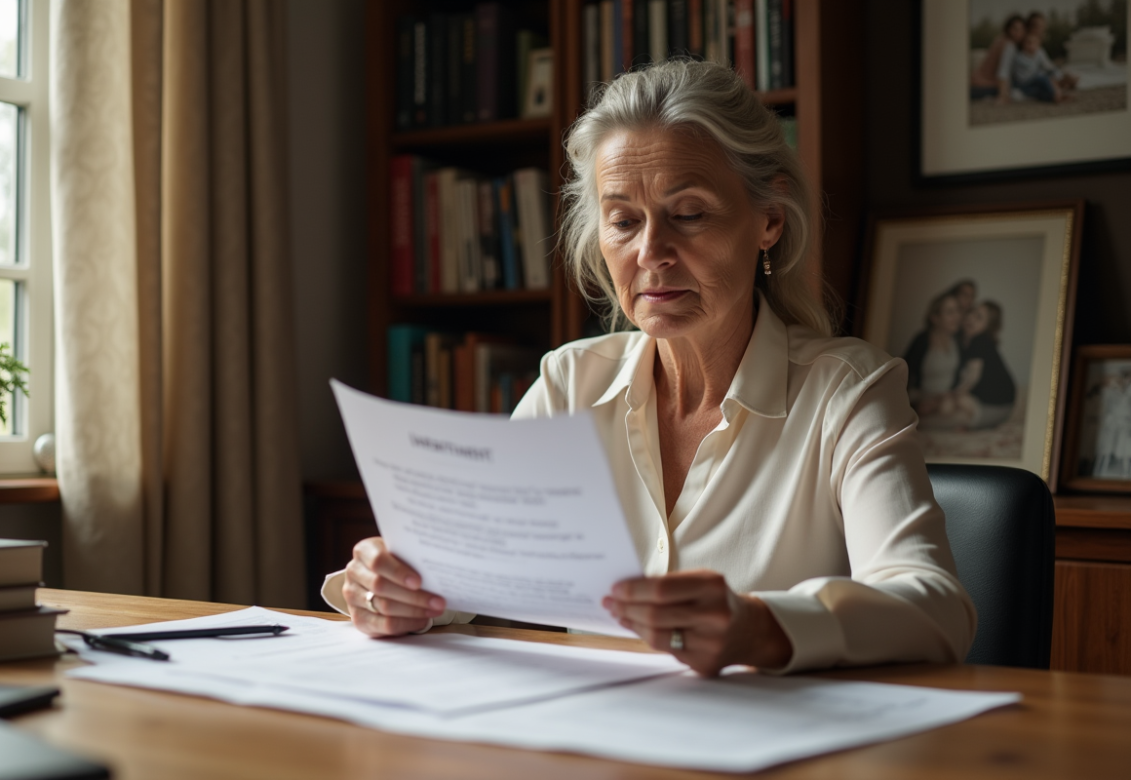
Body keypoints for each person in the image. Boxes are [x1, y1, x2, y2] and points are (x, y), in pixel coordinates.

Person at [323, 60, 976, 676]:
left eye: (688, 214)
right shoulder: (567, 385)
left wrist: (760, 626)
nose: (651, 252)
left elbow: (935, 606)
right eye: (623, 221)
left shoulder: (847, 391)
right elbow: (459, 576)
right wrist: (393, 588)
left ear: (769, 220)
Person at [948, 301, 1017, 430]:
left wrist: (953, 394)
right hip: (1002, 405)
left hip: (997, 405)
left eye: (978, 317)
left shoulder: (980, 341)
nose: (971, 318)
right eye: (972, 313)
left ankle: (971, 423)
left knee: (954, 403)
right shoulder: (965, 343)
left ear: (987, 326)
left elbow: (972, 377)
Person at [902, 292, 963, 420]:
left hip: (946, 397)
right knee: (947, 408)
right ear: (935, 318)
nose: (957, 316)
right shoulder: (923, 340)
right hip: (922, 398)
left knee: (960, 405)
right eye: (950, 312)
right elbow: (905, 372)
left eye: (957, 311)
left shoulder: (957, 341)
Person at [971, 14, 1026, 100]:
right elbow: (1003, 71)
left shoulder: (1000, 39)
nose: (1018, 33)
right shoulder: (1009, 46)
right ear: (1008, 29)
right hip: (985, 86)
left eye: (1021, 30)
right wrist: (1003, 95)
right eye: (1015, 29)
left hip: (976, 82)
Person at [1007, 32, 1071, 104]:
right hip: (1025, 83)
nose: (1031, 46)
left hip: (1034, 82)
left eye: (1034, 43)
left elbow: (1049, 67)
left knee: (1040, 91)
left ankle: (1054, 97)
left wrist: (1058, 75)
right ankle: (1056, 94)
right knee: (1044, 79)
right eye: (1028, 43)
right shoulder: (1020, 57)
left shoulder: (1038, 53)